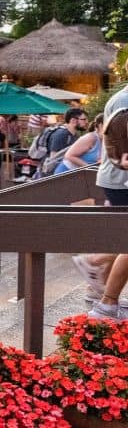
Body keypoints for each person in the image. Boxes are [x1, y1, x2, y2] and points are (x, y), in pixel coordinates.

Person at [87, 85, 128, 321]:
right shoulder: (124, 100)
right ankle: (107, 304)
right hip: (121, 180)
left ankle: (95, 264)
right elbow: (121, 148)